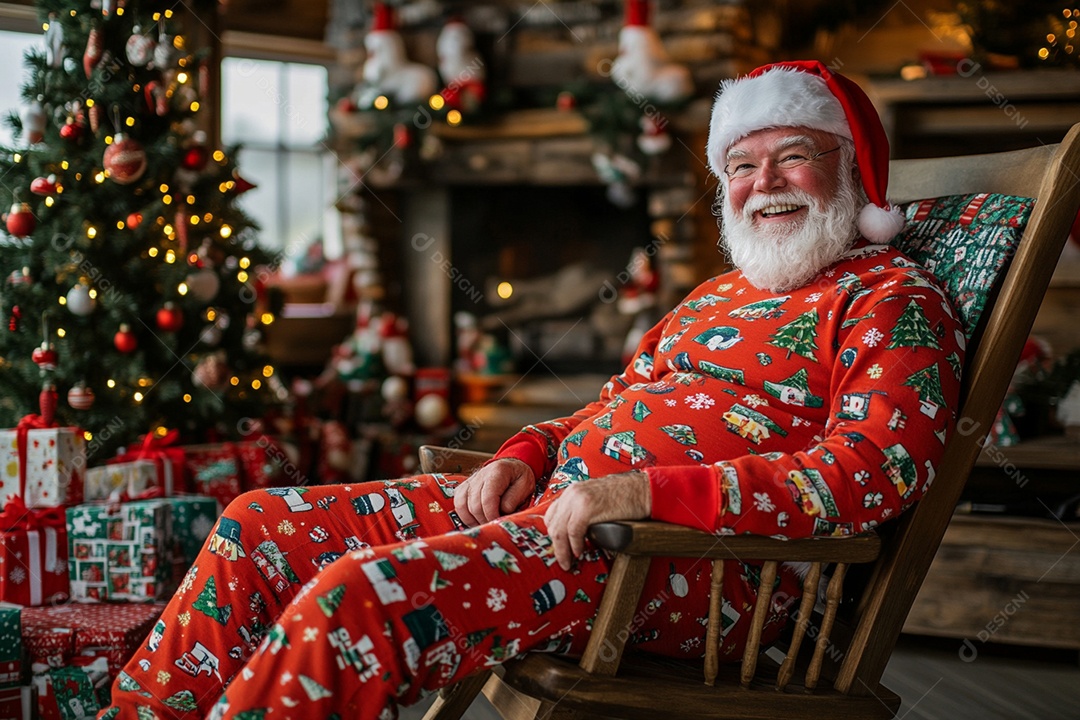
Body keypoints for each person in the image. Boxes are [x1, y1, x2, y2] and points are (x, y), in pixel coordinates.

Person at [100, 60, 963, 720]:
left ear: (853, 172)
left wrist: (644, 493)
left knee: (355, 598)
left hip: (681, 565)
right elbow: (606, 408)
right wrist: (527, 451)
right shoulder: (713, 298)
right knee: (257, 525)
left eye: (793, 157)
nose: (762, 183)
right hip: (560, 514)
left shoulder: (891, 300)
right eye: (742, 164)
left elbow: (875, 470)